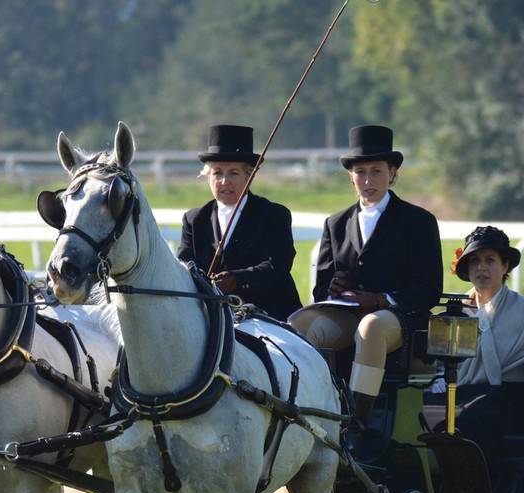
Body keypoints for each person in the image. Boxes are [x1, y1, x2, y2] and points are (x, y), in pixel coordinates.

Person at [289, 125, 443, 418]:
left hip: (399, 318)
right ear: (351, 176)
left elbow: (429, 290)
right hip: (347, 314)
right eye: (361, 172)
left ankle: (355, 422)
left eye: (376, 171)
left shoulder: (418, 221)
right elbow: (321, 290)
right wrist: (332, 287)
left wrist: (381, 300)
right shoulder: (335, 224)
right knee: (297, 324)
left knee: (370, 327)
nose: (368, 180)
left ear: (392, 174)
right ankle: (308, 408)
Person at [177, 124, 302, 320]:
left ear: (249, 176)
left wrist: (237, 279)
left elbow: (276, 266)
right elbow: (184, 265)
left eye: (233, 173)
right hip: (211, 317)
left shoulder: (273, 215)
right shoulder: (194, 219)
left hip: (268, 314)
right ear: (208, 176)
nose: (225, 181)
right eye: (217, 173)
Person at [451, 225, 524, 395]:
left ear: (505, 266)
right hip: (454, 393)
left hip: (505, 397)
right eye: (475, 260)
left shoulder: (522, 310)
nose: (481, 267)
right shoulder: (455, 310)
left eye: (490, 260)